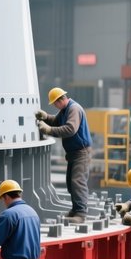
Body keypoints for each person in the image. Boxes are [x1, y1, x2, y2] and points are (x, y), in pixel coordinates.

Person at [35, 87, 91, 223]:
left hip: (81, 152)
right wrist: (46, 117)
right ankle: (75, 210)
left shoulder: (74, 109)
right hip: (73, 153)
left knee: (77, 182)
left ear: (60, 100)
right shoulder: (65, 110)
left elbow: (70, 129)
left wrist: (49, 130)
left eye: (55, 103)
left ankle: (81, 214)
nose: (55, 106)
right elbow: (57, 121)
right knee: (71, 183)